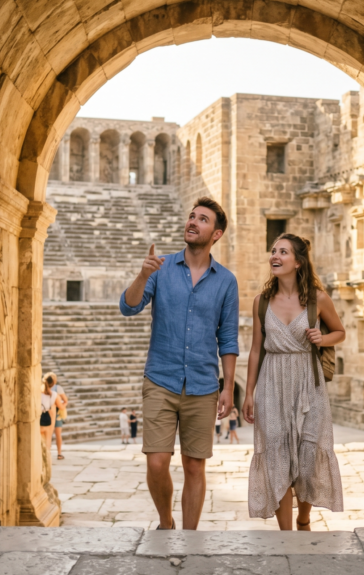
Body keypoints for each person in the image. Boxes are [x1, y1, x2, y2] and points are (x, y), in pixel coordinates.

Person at [120, 197, 239, 531]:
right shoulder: (161, 268)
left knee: (194, 467)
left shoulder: (226, 281)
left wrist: (228, 387)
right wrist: (143, 275)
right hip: (161, 378)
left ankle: (189, 537)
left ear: (215, 234)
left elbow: (228, 339)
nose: (193, 222)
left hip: (202, 385)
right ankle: (166, 522)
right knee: (157, 463)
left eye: (202, 219)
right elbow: (128, 307)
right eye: (191, 216)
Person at [243, 233, 346, 531]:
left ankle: (303, 519)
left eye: (283, 252)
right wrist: (248, 393)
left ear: (298, 262)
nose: (275, 256)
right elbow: (255, 349)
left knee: (309, 454)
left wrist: (322, 337)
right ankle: (287, 535)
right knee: (276, 454)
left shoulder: (318, 299)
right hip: (272, 382)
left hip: (308, 383)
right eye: (274, 251)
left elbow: (339, 331)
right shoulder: (261, 302)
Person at [45, 373, 68, 460]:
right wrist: (62, 406)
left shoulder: (42, 388)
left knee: (48, 435)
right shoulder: (57, 388)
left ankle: (48, 454)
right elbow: (65, 400)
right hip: (56, 414)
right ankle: (59, 453)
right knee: (57, 434)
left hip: (46, 414)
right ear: (54, 380)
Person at [40, 378, 62, 455]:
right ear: (53, 384)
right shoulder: (54, 394)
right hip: (47, 418)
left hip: (39, 417)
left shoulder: (38, 393)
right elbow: (61, 406)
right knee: (48, 441)